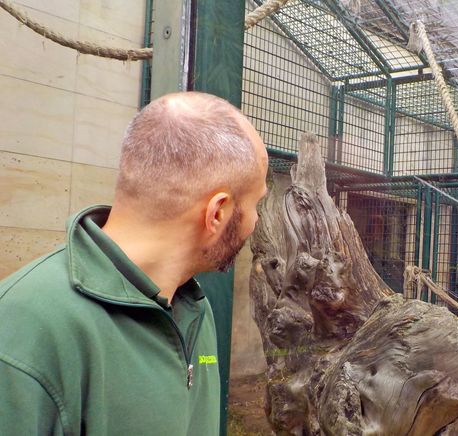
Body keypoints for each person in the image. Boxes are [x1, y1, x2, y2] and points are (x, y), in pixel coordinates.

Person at [0, 92, 269, 435]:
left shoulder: (193, 308)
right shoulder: (22, 334)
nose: (257, 221)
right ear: (216, 213)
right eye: (256, 204)